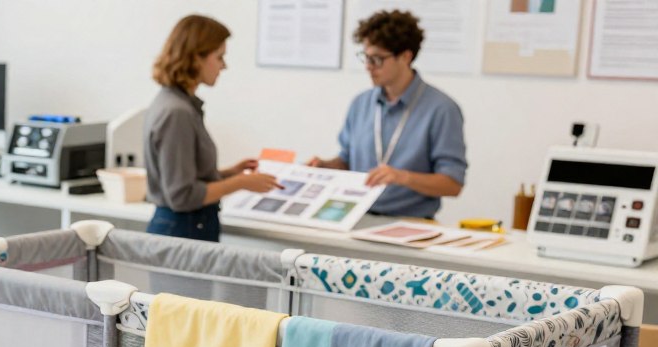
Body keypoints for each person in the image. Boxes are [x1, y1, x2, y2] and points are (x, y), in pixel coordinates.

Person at [307, 10, 467, 219]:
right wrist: (324, 166)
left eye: (377, 59)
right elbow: (346, 161)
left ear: (406, 57)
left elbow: (452, 185)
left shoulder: (441, 109)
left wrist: (403, 177)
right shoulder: (361, 103)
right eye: (366, 57)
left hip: (411, 224)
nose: (368, 67)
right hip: (354, 218)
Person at [144, 14, 280, 241]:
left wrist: (228, 173)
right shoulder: (177, 112)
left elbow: (185, 176)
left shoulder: (179, 104)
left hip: (187, 228)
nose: (224, 66)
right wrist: (241, 182)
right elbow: (182, 195)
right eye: (219, 57)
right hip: (182, 231)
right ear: (196, 58)